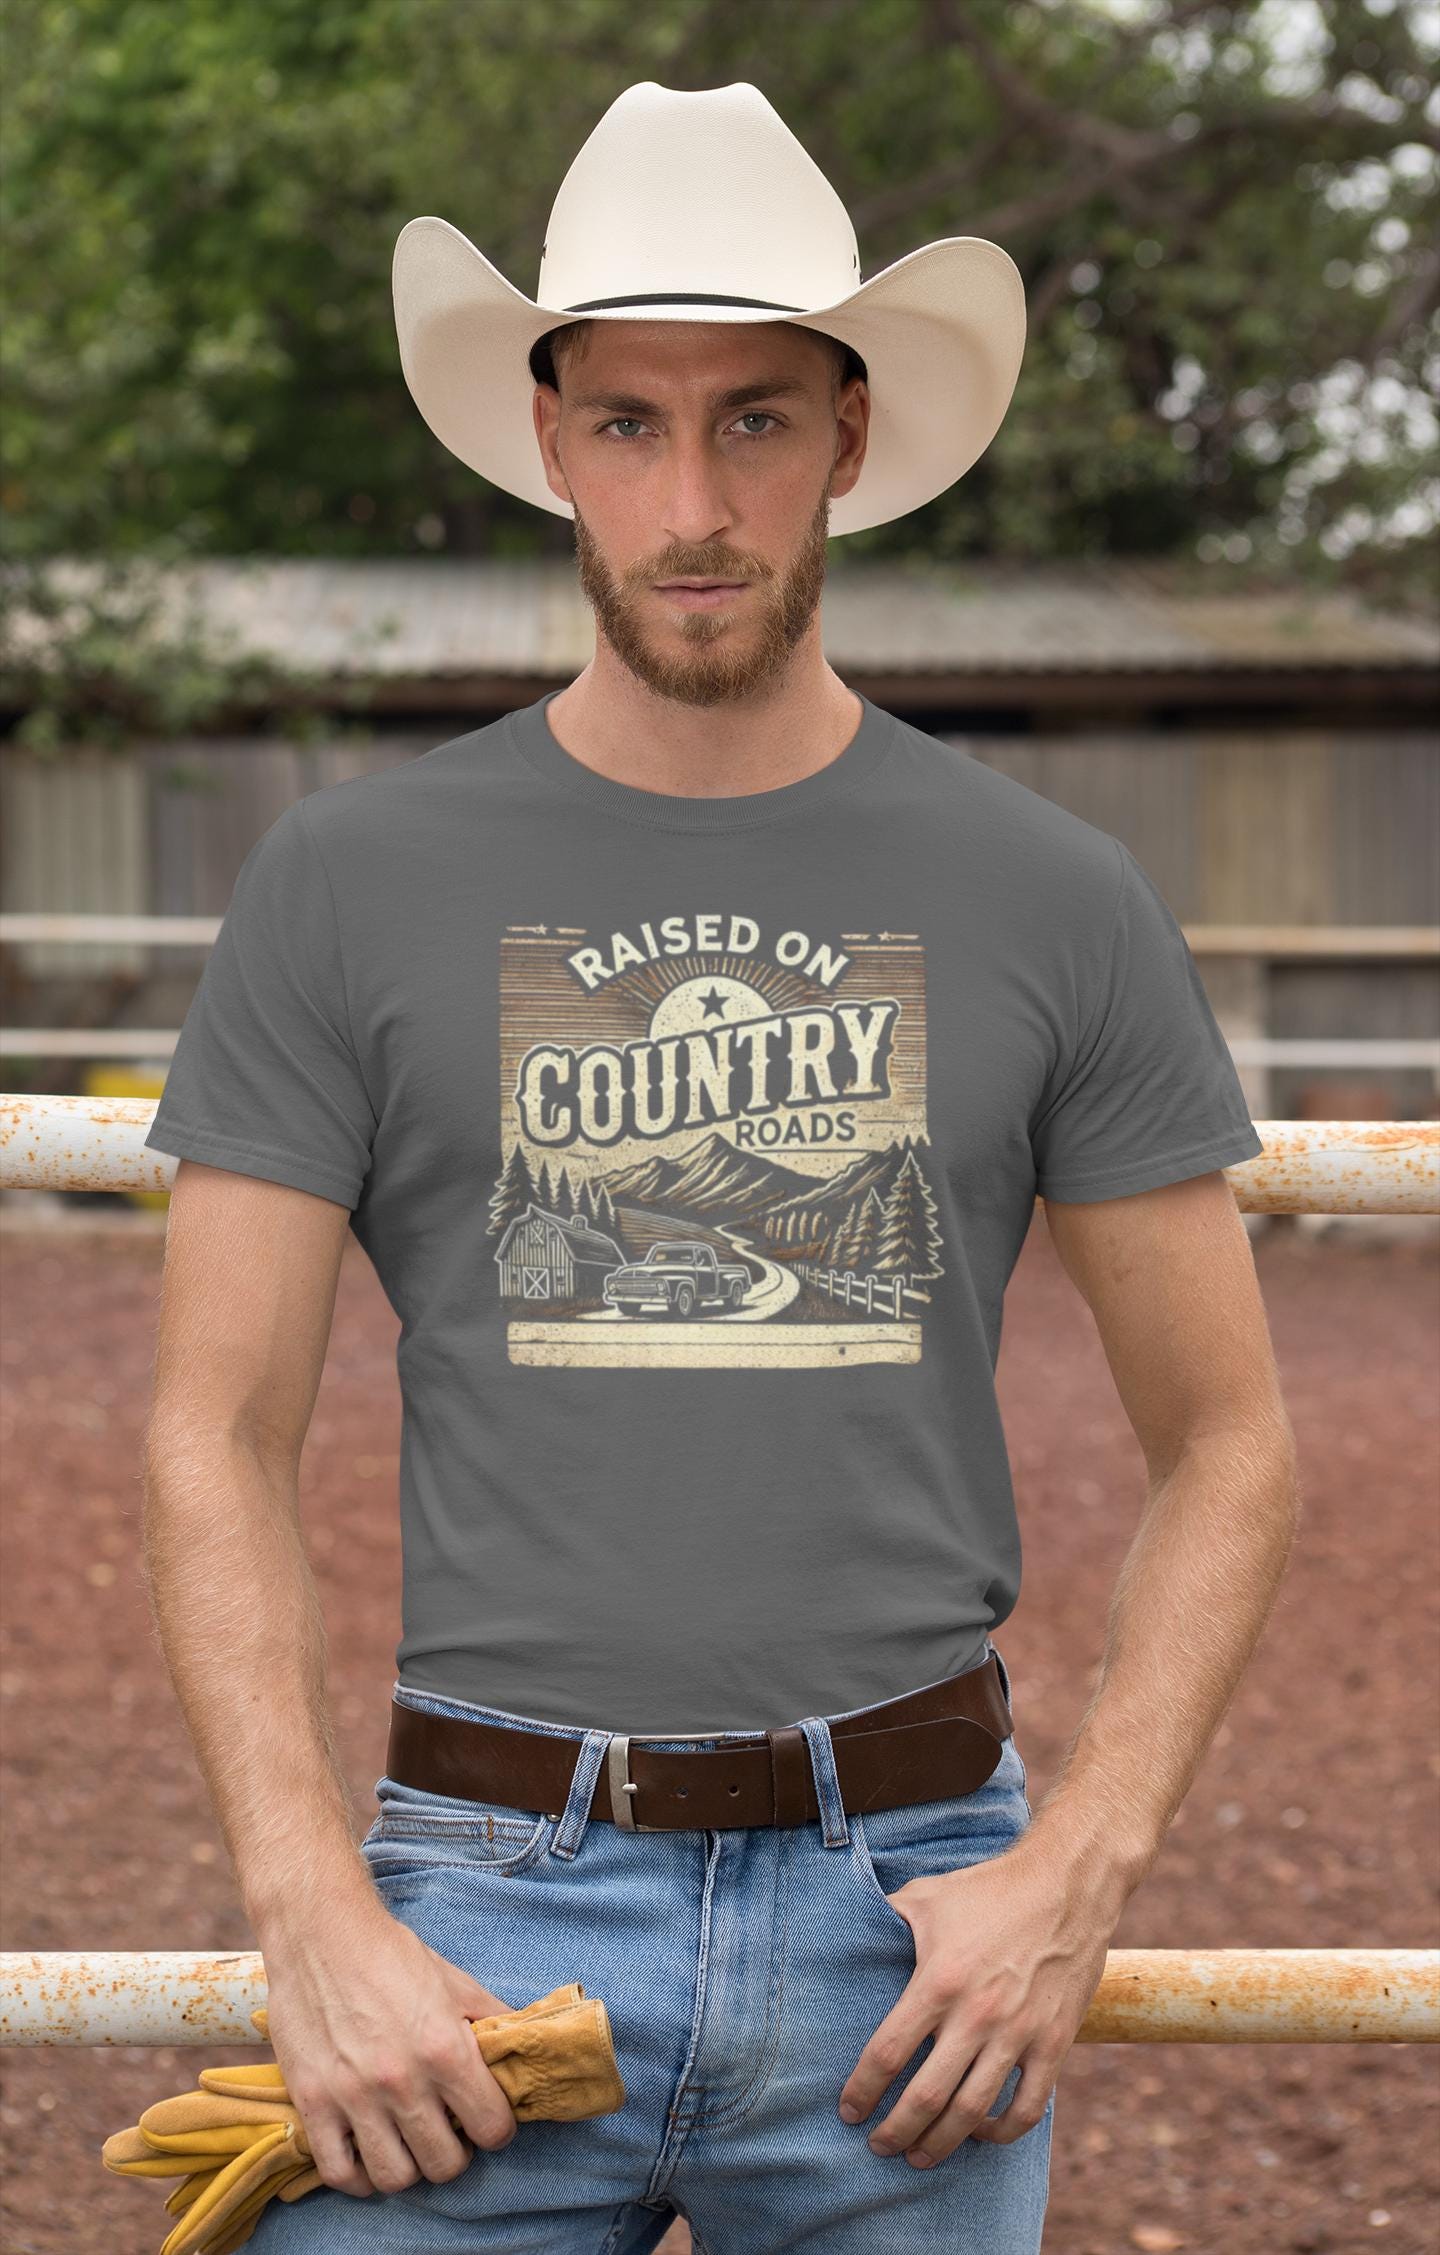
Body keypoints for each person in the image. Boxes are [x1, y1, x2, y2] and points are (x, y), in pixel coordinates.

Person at [140, 81, 1298, 2254]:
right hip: (473, 1917)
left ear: (853, 437)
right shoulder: (345, 882)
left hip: (914, 1922)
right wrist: (307, 1915)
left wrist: (1083, 1872)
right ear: (549, 435)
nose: (696, 502)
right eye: (634, 425)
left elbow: (1235, 1443)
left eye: (758, 421)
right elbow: (210, 1429)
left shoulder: (1050, 891)